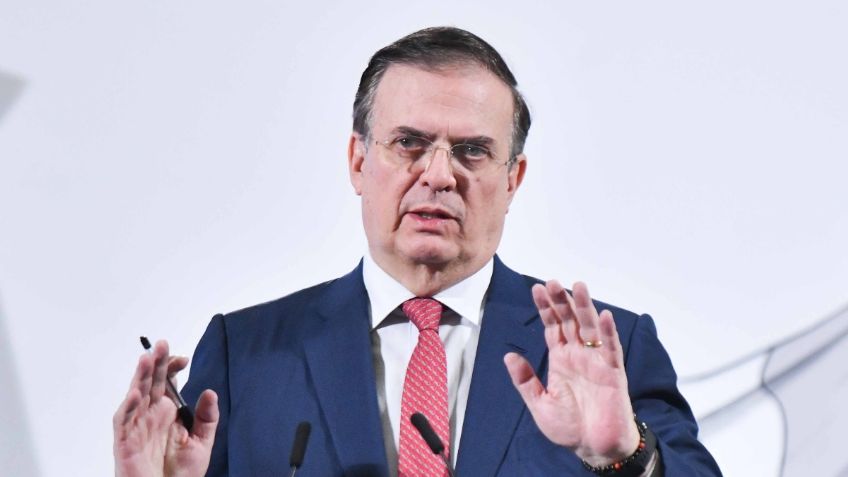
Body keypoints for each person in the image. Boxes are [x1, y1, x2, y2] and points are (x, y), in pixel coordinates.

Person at [113, 27, 722, 476]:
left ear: (513, 179)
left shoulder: (604, 349)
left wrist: (628, 457)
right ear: (358, 161)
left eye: (473, 151)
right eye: (408, 143)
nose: (439, 175)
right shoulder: (248, 354)